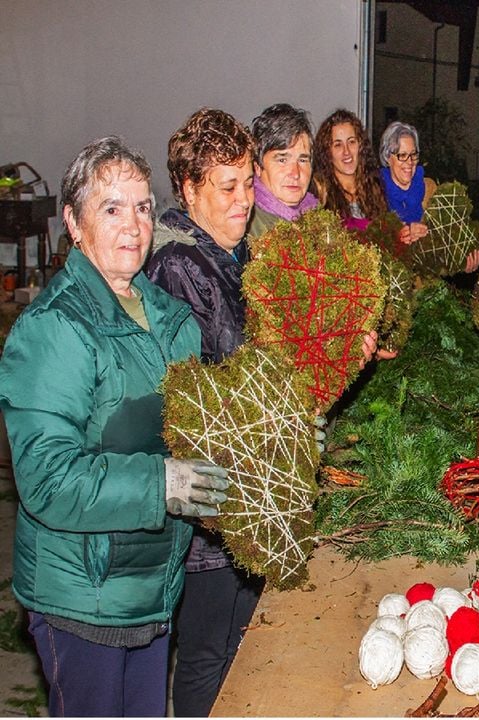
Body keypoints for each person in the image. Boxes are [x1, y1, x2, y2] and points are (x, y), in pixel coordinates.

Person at [0, 137, 228, 716]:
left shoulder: (170, 320)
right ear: (74, 224)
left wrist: (278, 443)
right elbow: (48, 480)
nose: (133, 224)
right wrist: (162, 486)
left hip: (153, 588)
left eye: (143, 207)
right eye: (111, 207)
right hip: (84, 597)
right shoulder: (55, 329)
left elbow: (195, 430)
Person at [145, 107, 264, 717]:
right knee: (205, 654)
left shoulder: (226, 253)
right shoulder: (180, 265)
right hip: (206, 503)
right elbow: (236, 364)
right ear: (190, 189)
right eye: (228, 186)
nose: (244, 199)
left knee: (238, 646)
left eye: (248, 182)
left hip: (235, 486)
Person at [378, 119, 479, 272]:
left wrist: (462, 260)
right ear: (387, 157)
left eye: (413, 155)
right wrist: (401, 235)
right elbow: (372, 241)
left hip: (425, 286)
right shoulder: (375, 192)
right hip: (389, 284)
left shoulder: (429, 188)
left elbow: (447, 239)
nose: (410, 162)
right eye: (402, 155)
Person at [247, 103, 319, 238]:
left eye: (303, 160)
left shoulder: (320, 221)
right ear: (257, 167)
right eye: (282, 160)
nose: (295, 173)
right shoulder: (244, 227)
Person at [312, 108, 387, 231]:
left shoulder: (376, 186)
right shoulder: (320, 194)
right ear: (327, 152)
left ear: (360, 145)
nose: (346, 152)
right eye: (338, 144)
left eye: (351, 142)